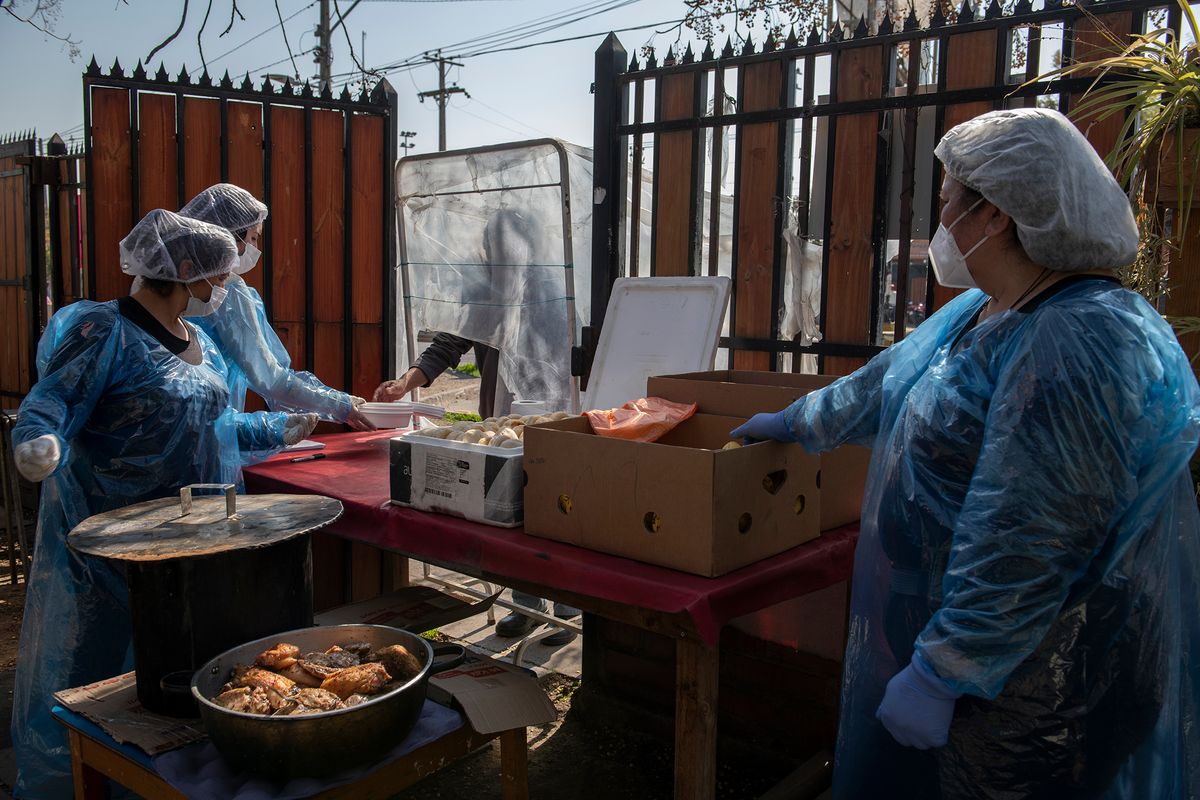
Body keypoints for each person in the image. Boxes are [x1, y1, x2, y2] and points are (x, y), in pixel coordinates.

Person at [732, 108, 1200, 798]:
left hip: (1039, 674)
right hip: (972, 649)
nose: (941, 214)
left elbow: (1035, 529)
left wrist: (948, 667)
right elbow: (888, 380)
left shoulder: (1079, 339)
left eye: (949, 195)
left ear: (997, 216)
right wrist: (797, 420)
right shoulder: (990, 309)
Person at [9, 209, 317, 799]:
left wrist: (276, 428)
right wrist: (37, 439)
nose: (224, 288)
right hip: (108, 548)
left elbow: (214, 424)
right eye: (218, 276)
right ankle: (68, 781)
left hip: (188, 543)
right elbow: (52, 400)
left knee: (169, 677)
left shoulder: (195, 336)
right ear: (183, 271)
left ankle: (155, 781)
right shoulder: (105, 331)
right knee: (90, 677)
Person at [375, 208, 579, 645]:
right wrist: (407, 381)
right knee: (510, 509)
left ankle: (566, 605)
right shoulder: (486, 290)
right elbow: (450, 341)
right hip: (503, 421)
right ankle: (527, 605)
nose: (494, 254)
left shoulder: (553, 289)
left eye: (502, 246)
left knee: (549, 510)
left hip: (553, 415)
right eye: (491, 246)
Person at [178, 183, 373, 431]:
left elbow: (274, 376)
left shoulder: (175, 285)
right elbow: (272, 379)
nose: (254, 250)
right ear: (229, 237)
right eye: (252, 239)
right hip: (209, 431)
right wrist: (338, 404)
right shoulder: (230, 292)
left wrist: (336, 401)